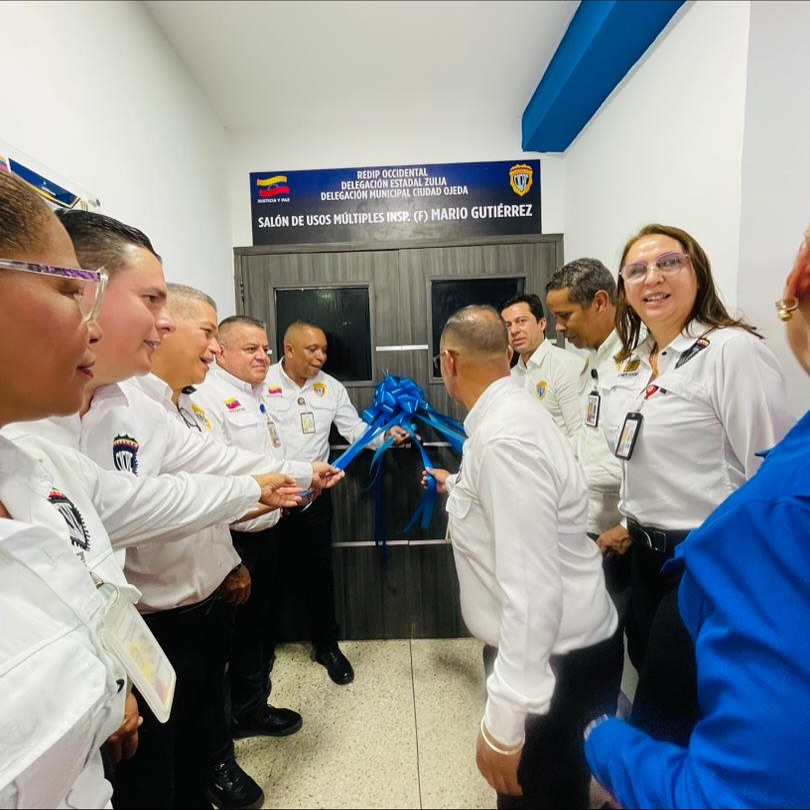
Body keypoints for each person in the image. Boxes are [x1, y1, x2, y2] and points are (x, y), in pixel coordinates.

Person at [43, 209, 321, 810]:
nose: (164, 322)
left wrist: (296, 475)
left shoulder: (132, 404)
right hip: (122, 635)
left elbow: (211, 459)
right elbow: (115, 508)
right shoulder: (44, 411)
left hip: (143, 630)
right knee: (152, 779)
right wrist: (252, 491)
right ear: (82, 292)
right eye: (151, 301)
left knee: (190, 751)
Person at [584, 229, 810, 808]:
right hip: (643, 555)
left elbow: (770, 474)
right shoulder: (632, 362)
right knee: (661, 694)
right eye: (637, 270)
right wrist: (628, 520)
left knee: (664, 713)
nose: (653, 277)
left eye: (669, 262)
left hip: (704, 564)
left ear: (697, 271)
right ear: (624, 288)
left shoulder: (730, 352)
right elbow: (637, 457)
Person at [427, 305, 621, 808]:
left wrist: (505, 723)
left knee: (538, 797)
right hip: (554, 647)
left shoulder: (504, 439)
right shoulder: (509, 417)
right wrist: (460, 486)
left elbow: (532, 590)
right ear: (508, 354)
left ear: (448, 361)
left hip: (551, 658)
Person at [193, 314, 327, 740]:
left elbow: (266, 460)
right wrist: (230, 558)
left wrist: (300, 480)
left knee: (258, 629)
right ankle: (230, 725)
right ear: (221, 352)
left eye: (265, 349)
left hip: (268, 529)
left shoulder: (255, 394)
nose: (262, 357)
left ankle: (251, 708)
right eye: (250, 349)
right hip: (235, 538)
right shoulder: (208, 398)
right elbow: (217, 477)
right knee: (232, 640)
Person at [262, 321, 407, 685]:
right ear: (289, 350)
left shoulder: (331, 387)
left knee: (319, 575)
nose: (321, 356)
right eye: (312, 349)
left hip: (313, 499)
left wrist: (385, 437)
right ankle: (261, 651)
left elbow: (354, 431)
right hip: (267, 500)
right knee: (266, 578)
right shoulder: (260, 382)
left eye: (324, 350)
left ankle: (326, 646)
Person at [545, 258, 631, 618]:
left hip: (620, 533)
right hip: (588, 524)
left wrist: (627, 525)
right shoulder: (592, 361)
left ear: (600, 302)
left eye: (565, 316)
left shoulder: (636, 362)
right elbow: (585, 440)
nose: (560, 327)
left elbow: (650, 458)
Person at [499, 293, 583, 440]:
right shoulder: (510, 377)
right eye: (508, 325)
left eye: (521, 321)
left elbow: (580, 435)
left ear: (542, 324)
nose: (514, 331)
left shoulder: (565, 366)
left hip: (561, 454)